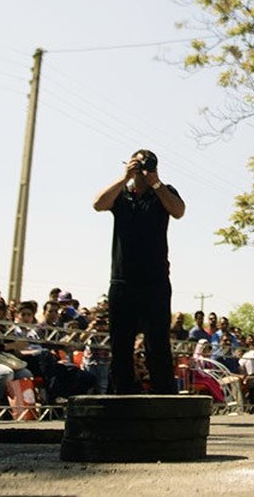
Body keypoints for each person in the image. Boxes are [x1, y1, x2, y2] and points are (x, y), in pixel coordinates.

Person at [92, 148, 185, 394]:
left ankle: (164, 398)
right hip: (123, 282)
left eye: (147, 166)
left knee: (157, 344)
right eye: (139, 165)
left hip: (155, 282)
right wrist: (124, 177)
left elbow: (178, 211)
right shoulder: (121, 195)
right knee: (121, 344)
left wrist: (155, 182)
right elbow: (98, 204)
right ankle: (121, 399)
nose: (143, 171)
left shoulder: (163, 192)